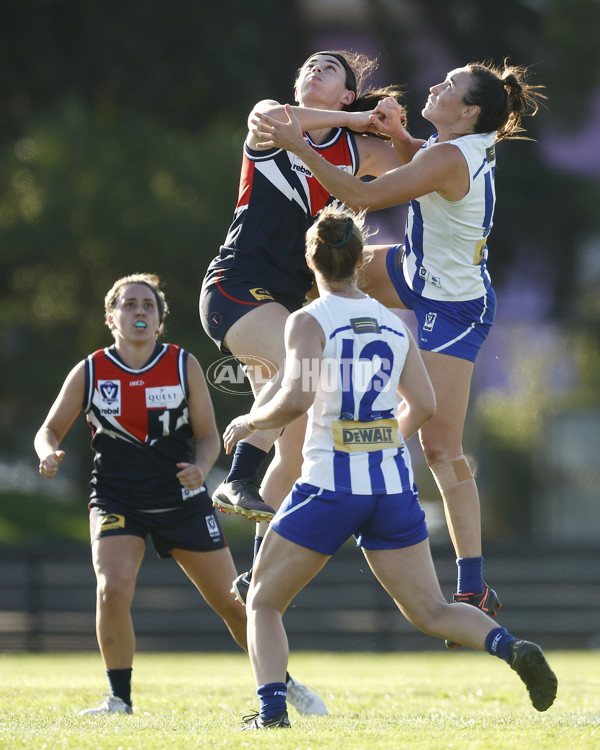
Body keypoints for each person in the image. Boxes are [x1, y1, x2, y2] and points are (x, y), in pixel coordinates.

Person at [222, 207, 557, 729]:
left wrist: (249, 419)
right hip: (391, 487)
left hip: (329, 486)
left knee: (262, 601)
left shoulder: (306, 320)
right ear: (361, 260)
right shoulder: (391, 322)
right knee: (430, 612)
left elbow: (295, 397)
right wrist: (378, 441)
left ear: (311, 261)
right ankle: (512, 649)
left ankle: (270, 714)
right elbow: (421, 405)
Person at [250, 60, 547, 642]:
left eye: (448, 88)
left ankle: (473, 583)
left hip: (455, 308)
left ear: (469, 111)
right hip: (416, 270)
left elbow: (359, 194)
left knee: (440, 447)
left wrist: (293, 142)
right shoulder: (454, 142)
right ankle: (284, 371)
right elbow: (425, 161)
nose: (433, 87)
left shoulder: (449, 155)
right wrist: (399, 136)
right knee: (322, 273)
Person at [34, 272, 326, 716]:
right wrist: (48, 451)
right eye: (129, 304)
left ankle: (281, 684)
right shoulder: (92, 369)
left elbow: (208, 437)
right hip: (117, 500)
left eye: (148, 306)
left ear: (160, 320)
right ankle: (120, 699)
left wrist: (201, 468)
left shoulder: (181, 364)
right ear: (112, 317)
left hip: (181, 502)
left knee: (233, 603)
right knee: (112, 589)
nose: (139, 312)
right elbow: (49, 429)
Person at [200, 50, 408, 602]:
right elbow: (280, 122)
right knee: (303, 377)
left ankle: (256, 572)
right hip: (234, 285)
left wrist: (395, 129)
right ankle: (238, 473)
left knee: (295, 442)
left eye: (330, 69)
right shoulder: (275, 116)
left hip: (286, 298)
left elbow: (416, 169)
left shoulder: (357, 147)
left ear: (345, 92)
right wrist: (357, 118)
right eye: (310, 66)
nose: (315, 70)